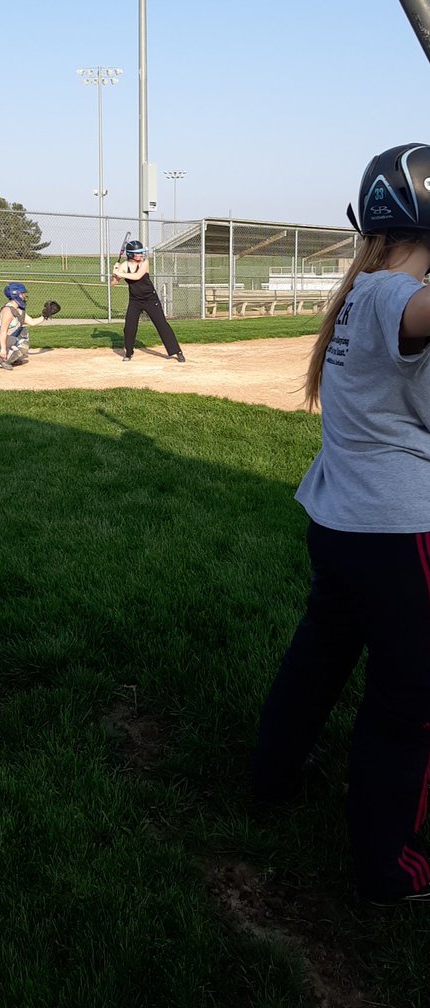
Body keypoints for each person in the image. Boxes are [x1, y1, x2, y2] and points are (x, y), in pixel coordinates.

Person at [252, 143, 430, 907]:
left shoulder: (359, 289)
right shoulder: (396, 295)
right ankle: (389, 867)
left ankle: (271, 776)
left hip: (341, 521)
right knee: (408, 701)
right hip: (398, 531)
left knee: (318, 658)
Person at [111, 239, 185, 363]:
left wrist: (120, 273)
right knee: (129, 327)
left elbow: (137, 276)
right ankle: (129, 353)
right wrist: (115, 274)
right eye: (138, 253)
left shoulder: (145, 263)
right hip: (135, 300)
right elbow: (113, 284)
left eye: (141, 252)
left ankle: (177, 351)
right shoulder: (124, 266)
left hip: (150, 299)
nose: (140, 255)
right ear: (130, 254)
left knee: (162, 325)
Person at [0, 282, 50, 370]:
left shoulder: (18, 310)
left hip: (3, 338)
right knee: (22, 344)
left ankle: (8, 358)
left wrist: (45, 316)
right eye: (22, 293)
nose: (24, 296)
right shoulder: (7, 311)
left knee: (23, 332)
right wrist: (3, 349)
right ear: (16, 295)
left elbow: (32, 322)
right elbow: (3, 331)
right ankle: (4, 361)